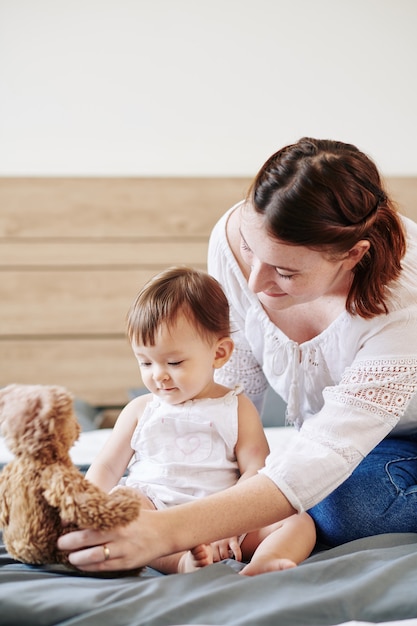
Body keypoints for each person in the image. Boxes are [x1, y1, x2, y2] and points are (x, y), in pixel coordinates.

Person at [58, 137, 417, 574]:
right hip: (346, 443)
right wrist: (225, 499)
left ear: (352, 255)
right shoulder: (232, 237)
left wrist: (171, 531)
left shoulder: (403, 304)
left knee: (343, 505)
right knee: (314, 494)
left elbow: (331, 449)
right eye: (251, 251)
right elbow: (231, 387)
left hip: (395, 437)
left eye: (285, 272)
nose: (252, 285)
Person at [83, 266, 316, 575]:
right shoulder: (140, 410)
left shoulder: (236, 407)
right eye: (145, 362)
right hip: (156, 512)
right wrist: (86, 508)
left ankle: (265, 562)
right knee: (124, 508)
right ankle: (181, 562)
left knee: (298, 520)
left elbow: (256, 470)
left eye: (174, 362)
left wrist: (230, 522)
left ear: (219, 353)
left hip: (225, 519)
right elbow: (107, 467)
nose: (158, 374)